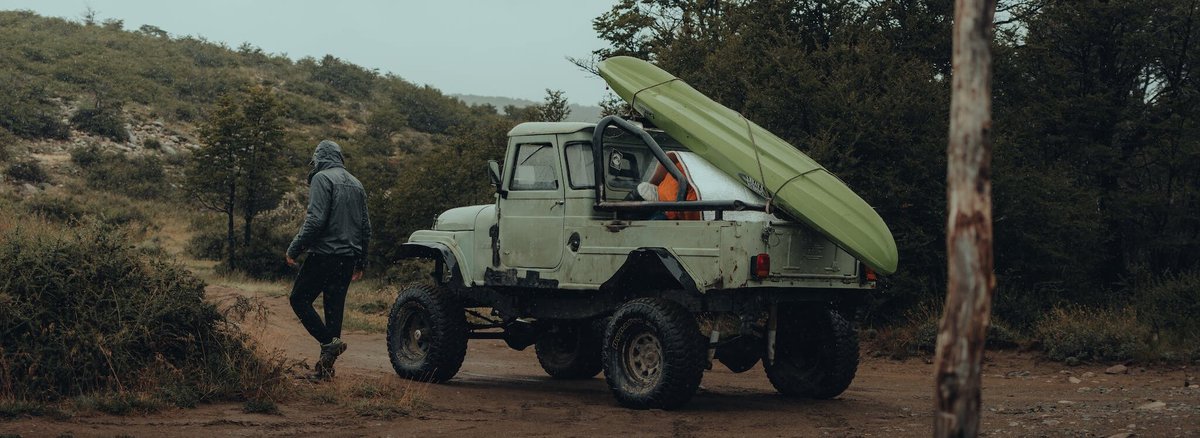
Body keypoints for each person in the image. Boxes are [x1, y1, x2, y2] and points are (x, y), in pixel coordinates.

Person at [285, 140, 371, 381]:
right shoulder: (357, 184)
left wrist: (294, 249)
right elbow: (366, 227)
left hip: (324, 254)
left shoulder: (322, 178)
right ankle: (325, 372)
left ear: (319, 157)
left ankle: (327, 343)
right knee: (334, 309)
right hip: (347, 258)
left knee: (299, 299)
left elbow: (315, 221)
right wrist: (361, 261)